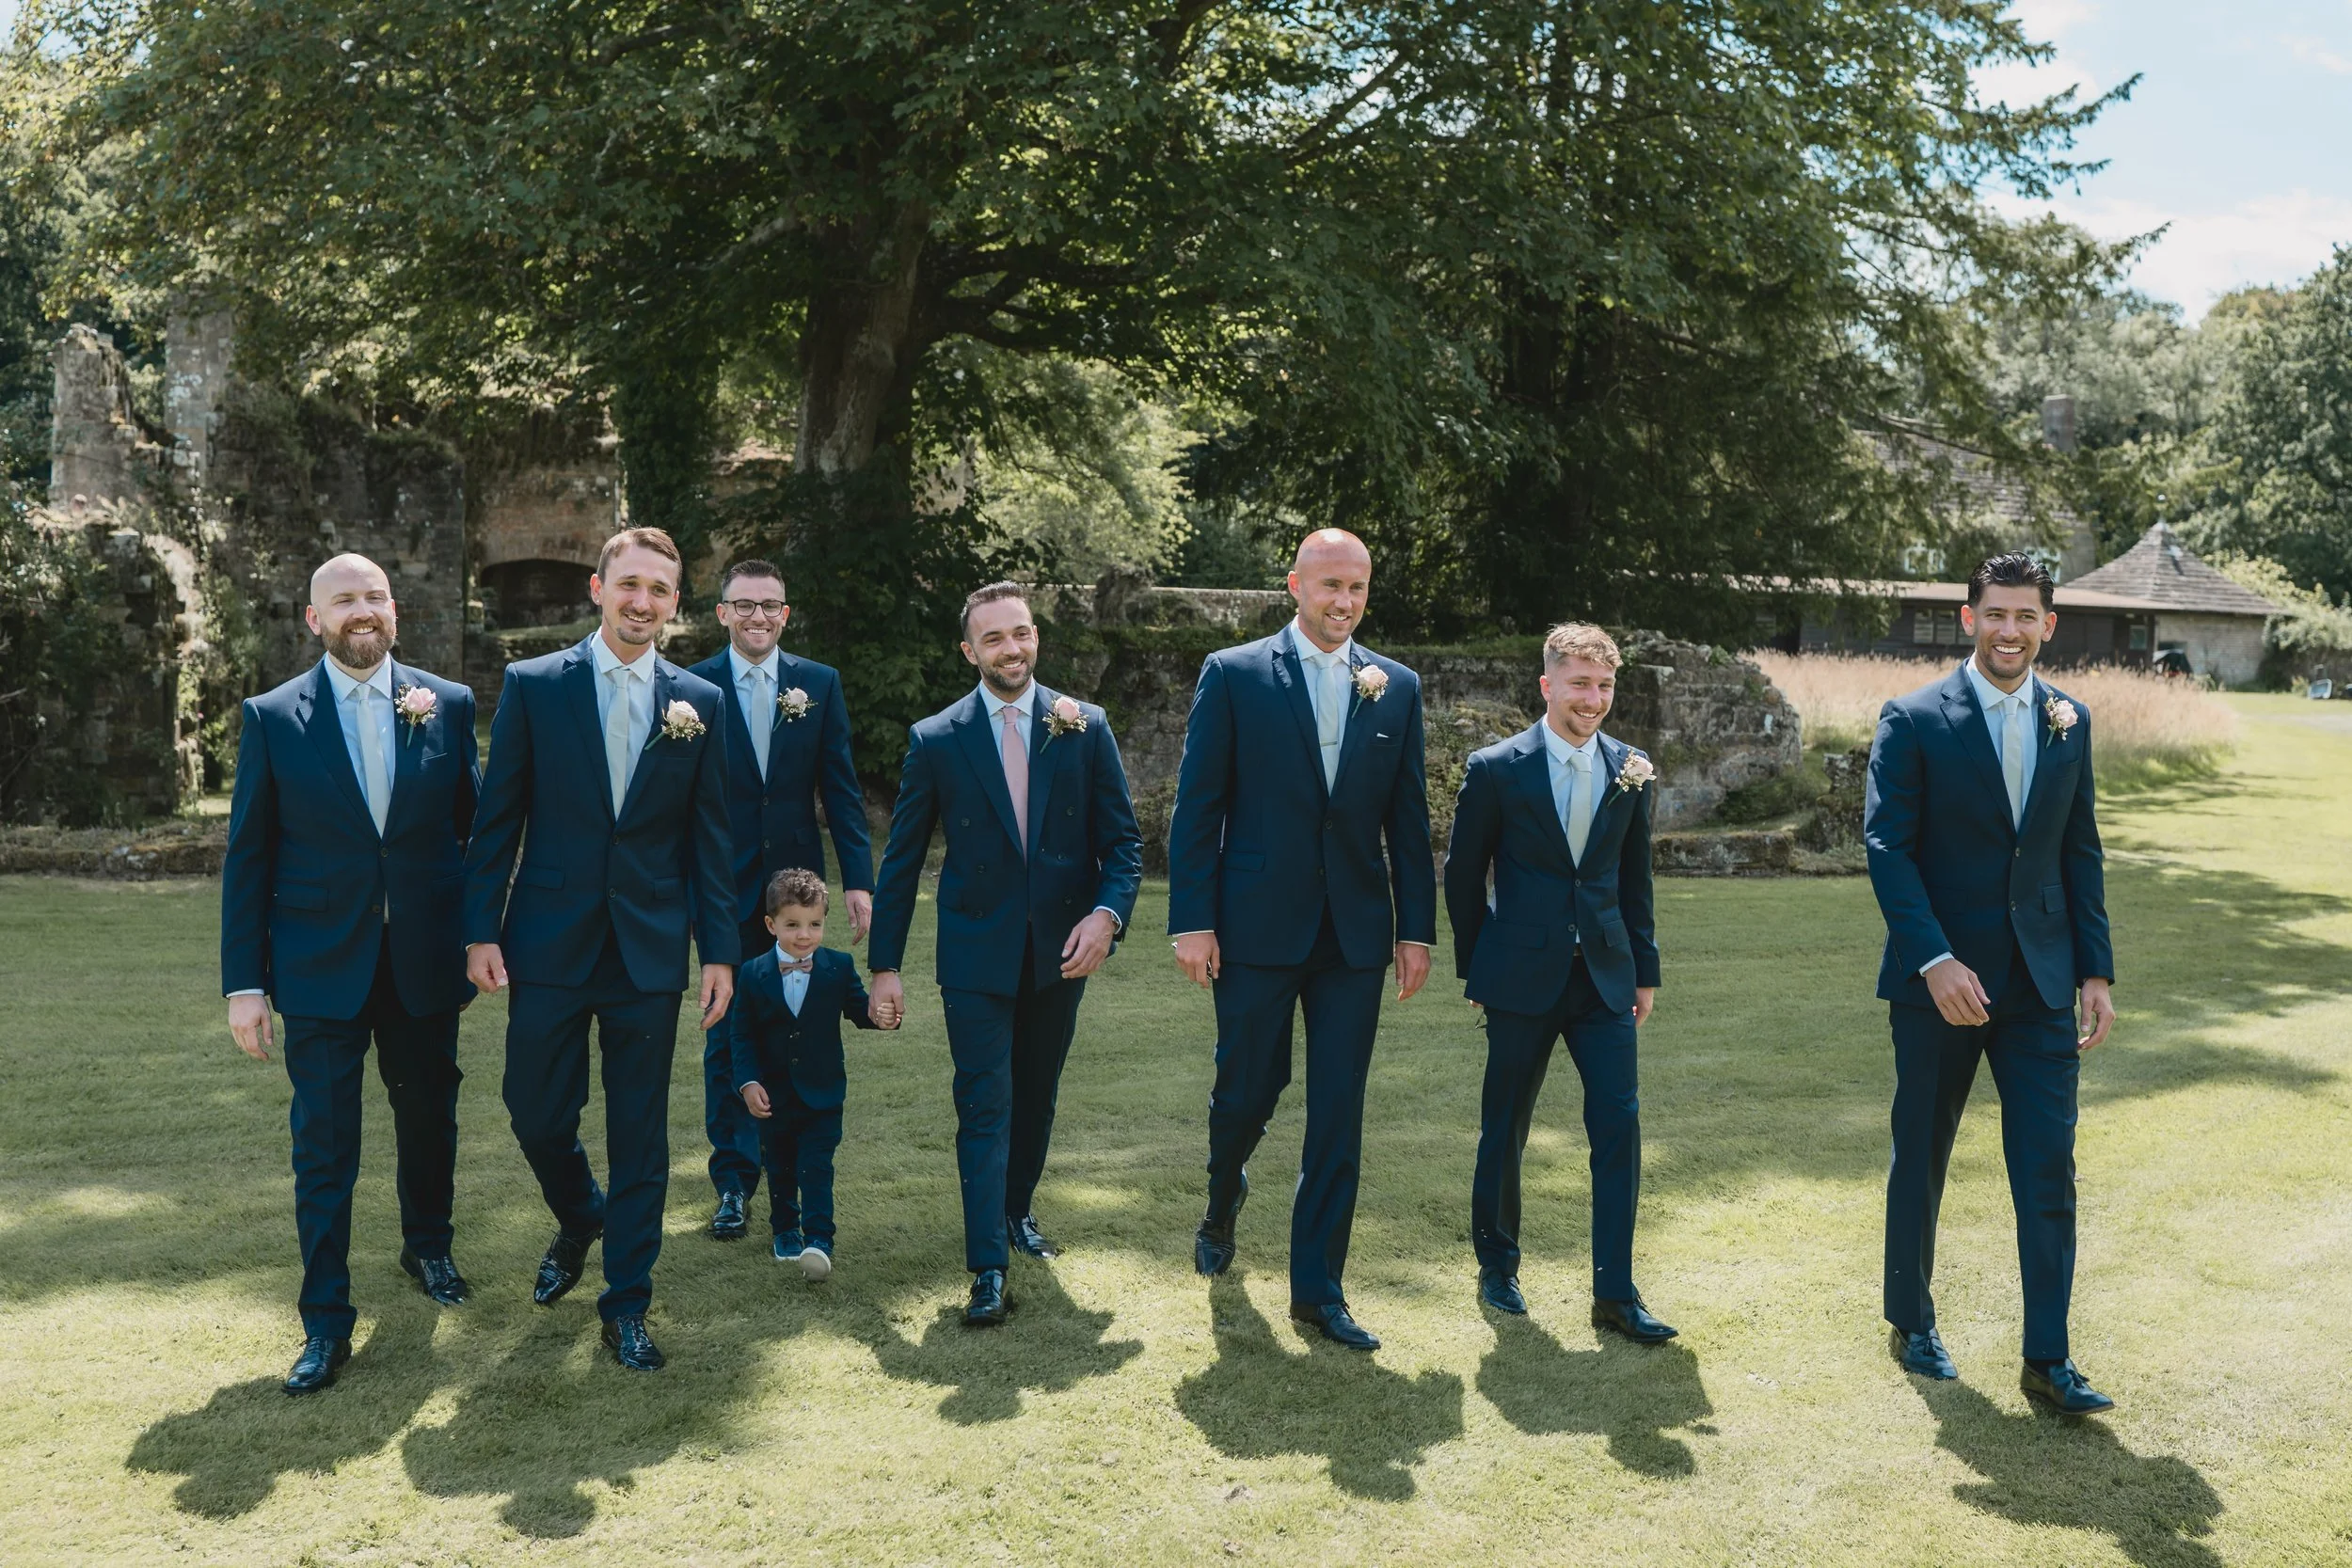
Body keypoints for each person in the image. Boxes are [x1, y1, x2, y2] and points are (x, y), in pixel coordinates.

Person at [460, 526, 737, 1372]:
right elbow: (497, 819)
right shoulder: (536, 685)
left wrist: (719, 951)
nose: (642, 601)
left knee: (642, 1134)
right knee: (533, 1110)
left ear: (675, 605)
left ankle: (627, 1305)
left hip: (649, 949)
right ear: (598, 586)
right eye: (630, 584)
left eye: (660, 589)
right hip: (546, 938)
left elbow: (712, 839)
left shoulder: (701, 703)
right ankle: (581, 1212)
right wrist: (479, 927)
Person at [1167, 528, 1436, 1352]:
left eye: (1356, 587)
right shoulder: (1236, 672)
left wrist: (1415, 930)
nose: (1343, 602)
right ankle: (1222, 1197)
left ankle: (1318, 1291)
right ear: (1294, 585)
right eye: (1329, 585)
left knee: (1339, 1114)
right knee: (1246, 1089)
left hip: (1354, 934)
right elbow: (1198, 805)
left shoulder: (1396, 686)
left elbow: (1409, 821)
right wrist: (1193, 919)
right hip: (1253, 924)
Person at [220, 553, 480, 1395]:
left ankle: (428, 1246)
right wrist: (245, 983)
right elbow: (248, 858)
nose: (360, 611)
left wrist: (484, 935)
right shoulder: (271, 717)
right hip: (317, 967)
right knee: (324, 1148)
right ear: (314, 618)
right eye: (343, 600)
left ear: (394, 609)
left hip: (423, 962)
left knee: (430, 1119)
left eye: (373, 597)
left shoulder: (449, 705)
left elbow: (476, 836)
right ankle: (325, 1321)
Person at [1866, 551, 2118, 1414]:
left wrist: (2095, 968)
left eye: (2027, 616)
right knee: (1923, 1154)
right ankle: (1912, 1317)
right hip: (1939, 982)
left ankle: (2049, 1359)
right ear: (1969, 617)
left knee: (2049, 1167)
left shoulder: (2070, 719)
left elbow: (2077, 849)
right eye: (1995, 613)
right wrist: (1934, 960)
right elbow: (1888, 848)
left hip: (2043, 982)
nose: (2011, 629)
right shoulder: (1912, 718)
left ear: (2049, 625)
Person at [867, 582, 1143, 1326]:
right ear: (969, 650)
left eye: (1020, 633)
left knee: (1037, 1094)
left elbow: (1123, 844)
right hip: (975, 954)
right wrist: (884, 965)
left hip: (1061, 951)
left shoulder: (1084, 725)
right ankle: (987, 1265)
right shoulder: (938, 738)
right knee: (984, 1103)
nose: (1011, 648)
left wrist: (1107, 916)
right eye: (994, 638)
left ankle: (1017, 1211)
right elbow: (900, 863)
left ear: (1035, 638)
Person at [1442, 623, 1675, 1342]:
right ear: (1547, 685)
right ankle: (1498, 1265)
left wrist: (1645, 971)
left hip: (1605, 978)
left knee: (1619, 1127)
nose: (1594, 698)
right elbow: (1460, 874)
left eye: (1605, 686)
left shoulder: (1631, 767)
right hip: (1518, 976)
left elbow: (1634, 880)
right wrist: (1479, 967)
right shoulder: (1495, 767)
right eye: (1580, 683)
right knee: (1505, 1125)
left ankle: (1616, 1291)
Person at [685, 559, 874, 1243]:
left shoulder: (817, 684)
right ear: (723, 612)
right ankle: (733, 1183)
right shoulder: (688, 687)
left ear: (785, 613)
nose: (758, 616)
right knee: (726, 1031)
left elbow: (841, 788)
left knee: (796, 1024)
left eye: (771, 605)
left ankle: (791, 1172)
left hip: (795, 895)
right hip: (719, 885)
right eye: (745, 605)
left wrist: (859, 879)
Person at [724, 869, 887, 1280]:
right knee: (778, 1165)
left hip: (823, 1093)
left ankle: (819, 1239)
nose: (804, 935)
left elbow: (859, 1011)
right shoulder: (752, 973)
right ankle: (784, 1230)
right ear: (770, 924)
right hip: (773, 1097)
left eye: (814, 925)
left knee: (817, 1166)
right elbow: (740, 1036)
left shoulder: (837, 967)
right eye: (793, 925)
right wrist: (748, 1082)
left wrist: (882, 1015)